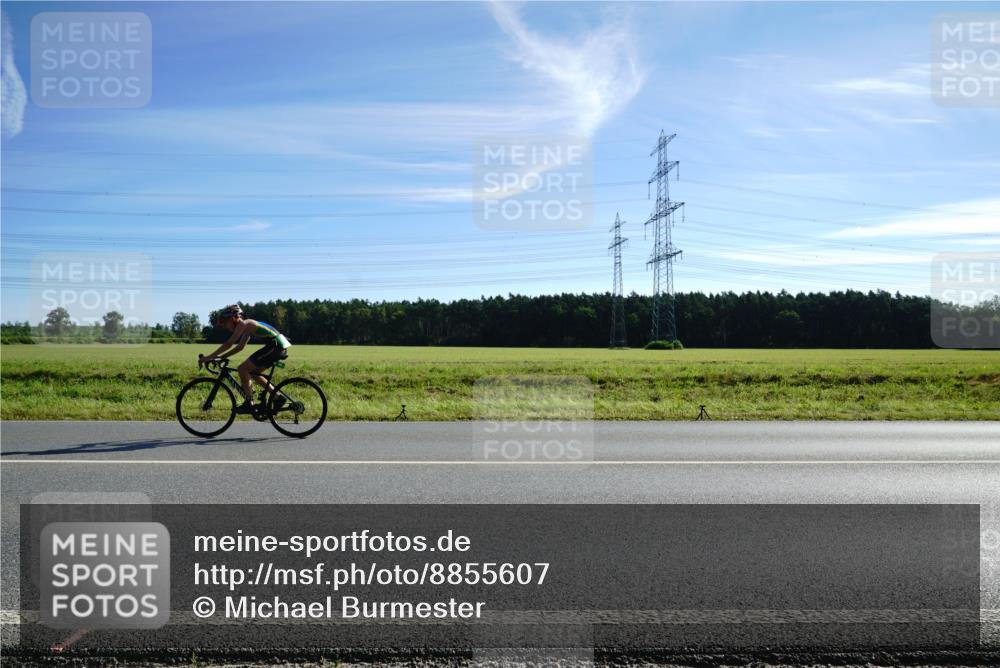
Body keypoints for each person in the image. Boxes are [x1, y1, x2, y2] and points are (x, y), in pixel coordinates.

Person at [200, 304, 292, 414]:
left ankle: (249, 403)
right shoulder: (247, 327)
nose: (225, 326)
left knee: (242, 369)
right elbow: (240, 347)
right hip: (276, 347)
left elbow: (229, 343)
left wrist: (210, 357)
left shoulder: (244, 324)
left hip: (275, 347)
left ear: (233, 318)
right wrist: (221, 357)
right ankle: (278, 397)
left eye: (225, 323)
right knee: (253, 373)